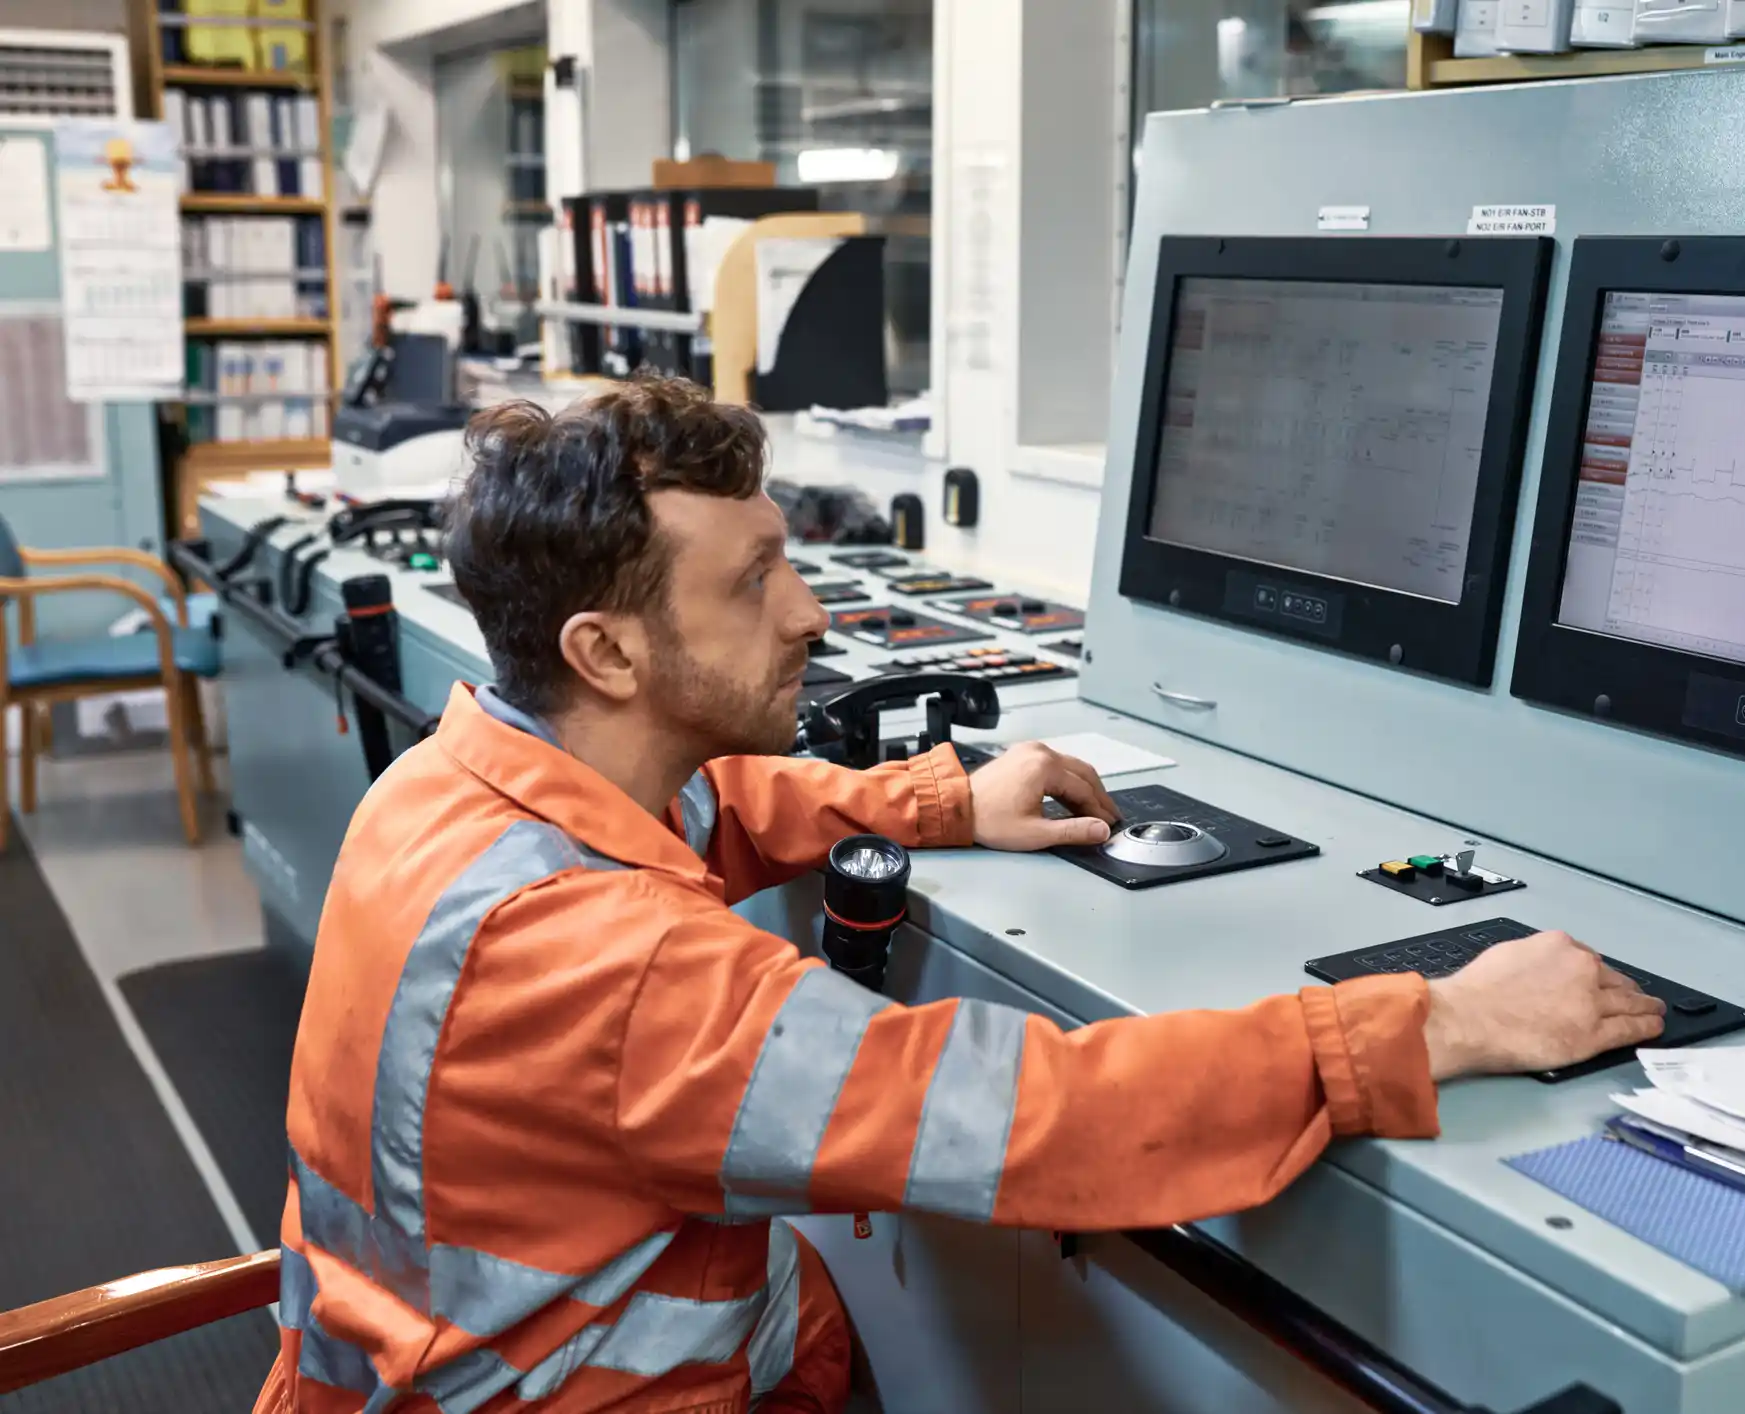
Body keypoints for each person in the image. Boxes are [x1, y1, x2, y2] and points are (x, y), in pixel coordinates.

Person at [256, 377, 1665, 1414]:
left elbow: (712, 807)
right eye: (755, 582)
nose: (809, 614)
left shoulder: (452, 786)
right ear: (606, 651)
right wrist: (1430, 1025)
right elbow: (1031, 1109)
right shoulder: (618, 971)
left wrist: (935, 800)